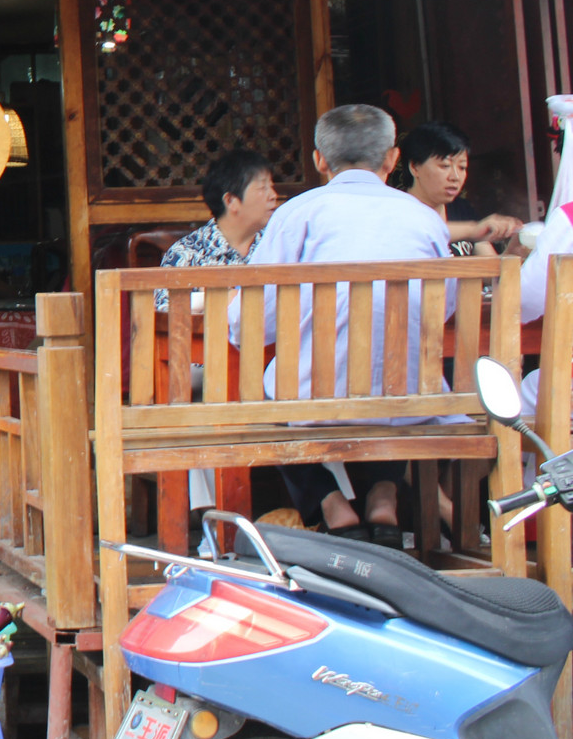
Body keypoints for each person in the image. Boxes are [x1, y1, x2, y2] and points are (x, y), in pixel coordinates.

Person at [243, 104, 453, 546]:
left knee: (270, 398)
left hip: (318, 398)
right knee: (392, 378)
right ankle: (382, 494)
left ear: (319, 160)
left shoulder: (298, 213)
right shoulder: (424, 218)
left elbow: (256, 319)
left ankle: (330, 503)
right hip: (413, 398)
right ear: (393, 159)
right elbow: (442, 309)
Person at [155, 148, 278, 312]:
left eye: (272, 187)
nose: (273, 195)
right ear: (231, 201)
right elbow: (163, 312)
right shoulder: (188, 254)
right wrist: (214, 299)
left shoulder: (277, 244)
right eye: (262, 188)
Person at [392, 121, 522, 256]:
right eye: (445, 166)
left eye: (462, 167)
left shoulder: (462, 210)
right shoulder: (396, 211)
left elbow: (490, 266)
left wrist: (511, 253)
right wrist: (472, 230)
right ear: (414, 167)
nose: (455, 177)